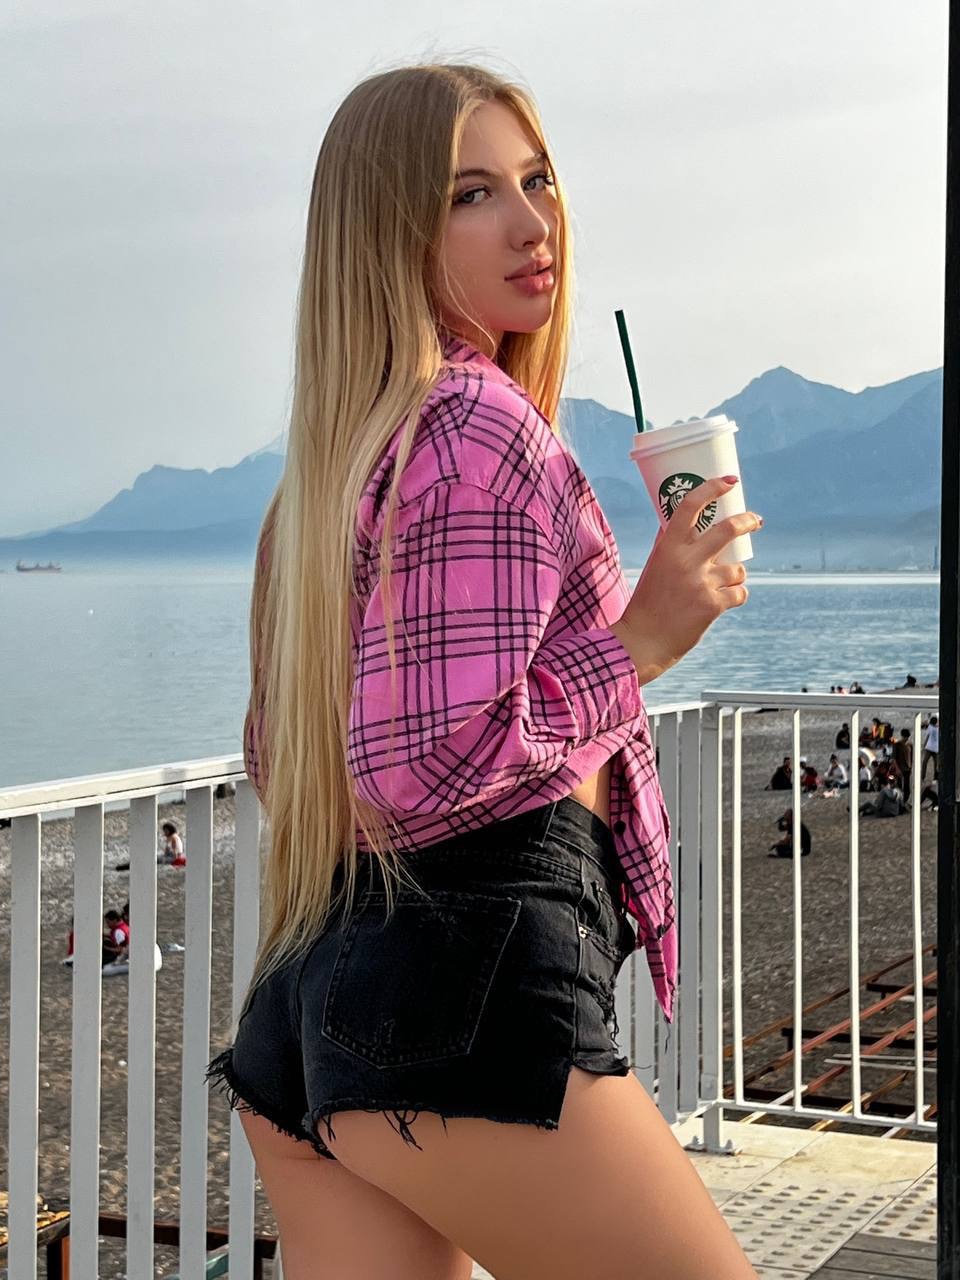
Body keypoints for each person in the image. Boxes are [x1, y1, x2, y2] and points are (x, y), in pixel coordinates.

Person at [203, 64, 763, 1280]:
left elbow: (288, 759)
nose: (530, 222)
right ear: (388, 232)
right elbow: (425, 765)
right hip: (466, 993)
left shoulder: (336, 461)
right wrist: (645, 637)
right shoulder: (479, 426)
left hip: (314, 1001)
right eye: (471, 193)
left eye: (537, 180)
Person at [892, 729, 913, 805]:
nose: (906, 739)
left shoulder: (910, 745)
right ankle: (899, 802)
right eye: (905, 737)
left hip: (907, 768)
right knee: (899, 786)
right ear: (902, 736)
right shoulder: (897, 744)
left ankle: (904, 802)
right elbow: (894, 758)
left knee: (907, 787)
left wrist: (911, 767)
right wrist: (897, 769)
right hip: (900, 768)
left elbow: (911, 757)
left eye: (907, 737)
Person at [922, 715, 939, 781]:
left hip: (930, 748)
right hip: (934, 748)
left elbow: (923, 726)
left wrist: (924, 745)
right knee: (935, 764)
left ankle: (923, 776)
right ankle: (935, 778)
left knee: (925, 762)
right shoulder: (935, 728)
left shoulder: (930, 727)